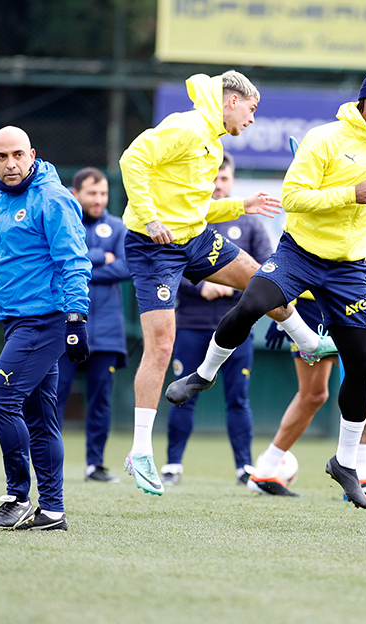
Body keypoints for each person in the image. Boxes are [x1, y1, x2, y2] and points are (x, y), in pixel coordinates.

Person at [168, 57, 366, 509]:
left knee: (359, 365)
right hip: (299, 255)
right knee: (251, 302)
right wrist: (350, 192)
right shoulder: (324, 138)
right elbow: (292, 197)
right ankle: (204, 375)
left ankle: (346, 463)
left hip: (349, 269)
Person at [120, 70, 335, 497]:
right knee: (161, 345)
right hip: (154, 246)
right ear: (231, 101)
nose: (252, 120)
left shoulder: (213, 141)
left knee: (262, 279)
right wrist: (150, 216)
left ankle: (307, 340)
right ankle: (140, 450)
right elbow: (132, 160)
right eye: (252, 110)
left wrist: (243, 204)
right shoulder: (186, 126)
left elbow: (195, 209)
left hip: (193, 239)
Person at [0, 126, 91, 532]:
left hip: (45, 321)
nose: (11, 163)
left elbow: (74, 261)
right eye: (2, 157)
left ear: (32, 154)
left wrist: (76, 318)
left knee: (1, 401)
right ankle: (52, 511)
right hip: (17, 320)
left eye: (18, 154)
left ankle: (17, 498)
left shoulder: (54, 199)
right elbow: (0, 267)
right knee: (39, 418)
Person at [161, 153, 272, 486]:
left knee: (238, 398)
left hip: (237, 326)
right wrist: (202, 287)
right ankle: (173, 465)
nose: (218, 185)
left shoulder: (251, 224)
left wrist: (235, 287)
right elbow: (168, 269)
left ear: (232, 180)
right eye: (212, 178)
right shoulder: (187, 220)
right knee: (183, 395)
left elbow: (267, 270)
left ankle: (244, 468)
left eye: (223, 179)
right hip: (192, 325)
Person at [252, 300, 366, 499]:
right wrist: (281, 307)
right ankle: (361, 471)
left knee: (314, 394)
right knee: (362, 377)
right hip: (313, 306)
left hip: (343, 303)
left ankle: (265, 470)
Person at [54, 167, 130, 484]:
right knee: (52, 397)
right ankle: (47, 464)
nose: (98, 200)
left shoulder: (118, 227)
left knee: (100, 401)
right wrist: (101, 256)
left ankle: (94, 465)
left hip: (107, 332)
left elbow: (126, 267)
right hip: (64, 329)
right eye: (92, 194)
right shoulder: (62, 225)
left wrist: (80, 266)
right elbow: (57, 268)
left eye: (103, 194)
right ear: (76, 194)